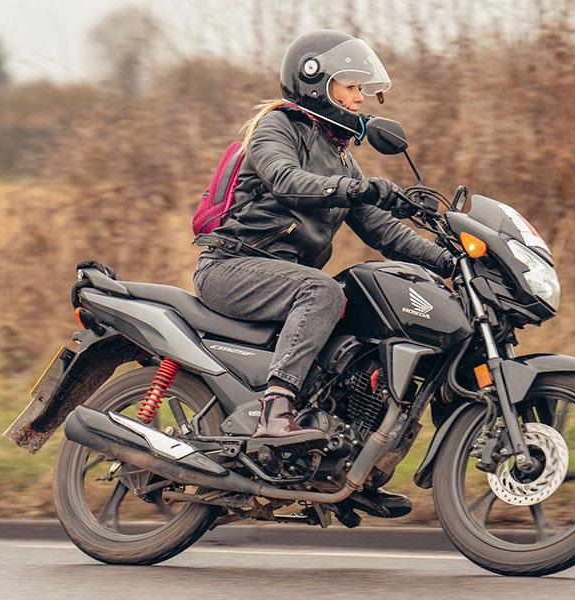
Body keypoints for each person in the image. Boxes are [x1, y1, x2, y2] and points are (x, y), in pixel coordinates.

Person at [193, 31, 452, 504]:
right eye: (350, 86)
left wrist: (452, 259)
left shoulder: (342, 162)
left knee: (362, 331)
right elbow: (286, 180)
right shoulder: (278, 128)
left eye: (361, 89)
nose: (360, 98)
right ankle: (274, 413)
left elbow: (385, 233)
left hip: (280, 278)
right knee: (323, 292)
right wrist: (360, 189)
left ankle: (342, 466)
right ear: (315, 83)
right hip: (233, 265)